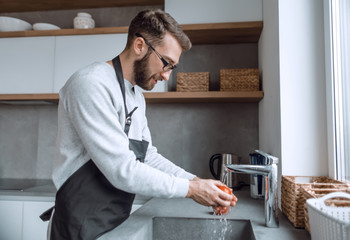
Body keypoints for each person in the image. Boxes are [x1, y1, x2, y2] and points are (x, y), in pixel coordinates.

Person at [44, 8, 237, 240]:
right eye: (166, 63)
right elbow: (122, 170)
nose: (167, 75)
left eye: (172, 68)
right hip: (77, 226)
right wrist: (192, 190)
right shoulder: (91, 84)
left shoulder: (136, 96)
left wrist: (197, 181)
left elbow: (147, 157)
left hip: (115, 225)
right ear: (139, 46)